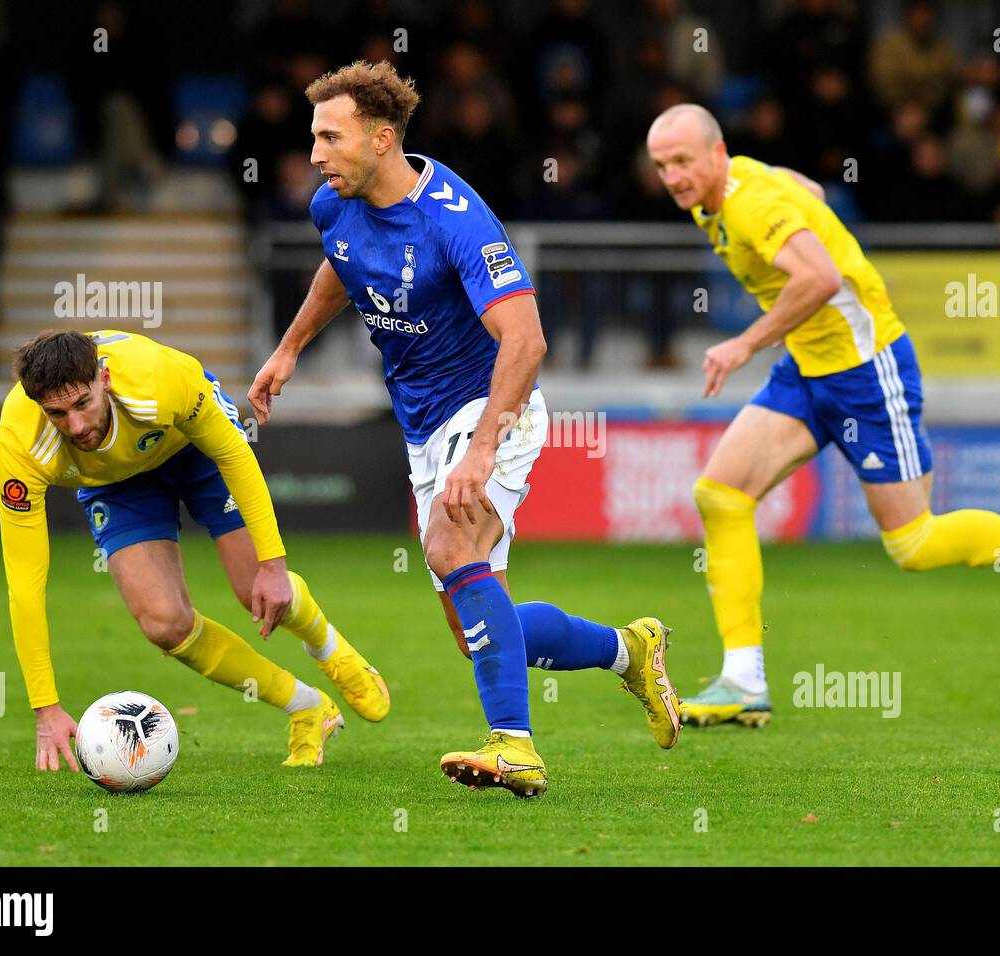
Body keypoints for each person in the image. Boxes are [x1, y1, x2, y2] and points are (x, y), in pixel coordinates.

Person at [645, 103, 1000, 728]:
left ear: (717, 152)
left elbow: (818, 277)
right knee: (722, 495)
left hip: (866, 371)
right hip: (807, 370)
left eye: (681, 161)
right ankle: (744, 680)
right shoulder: (728, 191)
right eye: (661, 165)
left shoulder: (749, 200)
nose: (672, 176)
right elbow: (803, 187)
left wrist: (743, 343)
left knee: (914, 543)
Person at [248, 60, 679, 798]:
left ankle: (515, 746)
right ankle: (627, 650)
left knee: (451, 543)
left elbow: (527, 340)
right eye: (312, 137)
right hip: (423, 422)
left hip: (490, 406)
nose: (315, 155)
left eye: (329, 137)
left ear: (382, 139)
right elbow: (341, 265)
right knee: (475, 626)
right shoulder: (333, 204)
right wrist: (289, 348)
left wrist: (482, 451)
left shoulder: (454, 218)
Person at [0, 330, 390, 772]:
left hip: (192, 448)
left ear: (104, 379)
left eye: (82, 404)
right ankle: (307, 707)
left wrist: (274, 566)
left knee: (253, 589)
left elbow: (234, 456)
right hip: (115, 484)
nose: (77, 427)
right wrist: (45, 707)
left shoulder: (161, 379)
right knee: (165, 624)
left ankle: (327, 647)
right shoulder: (19, 442)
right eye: (57, 413)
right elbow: (25, 581)